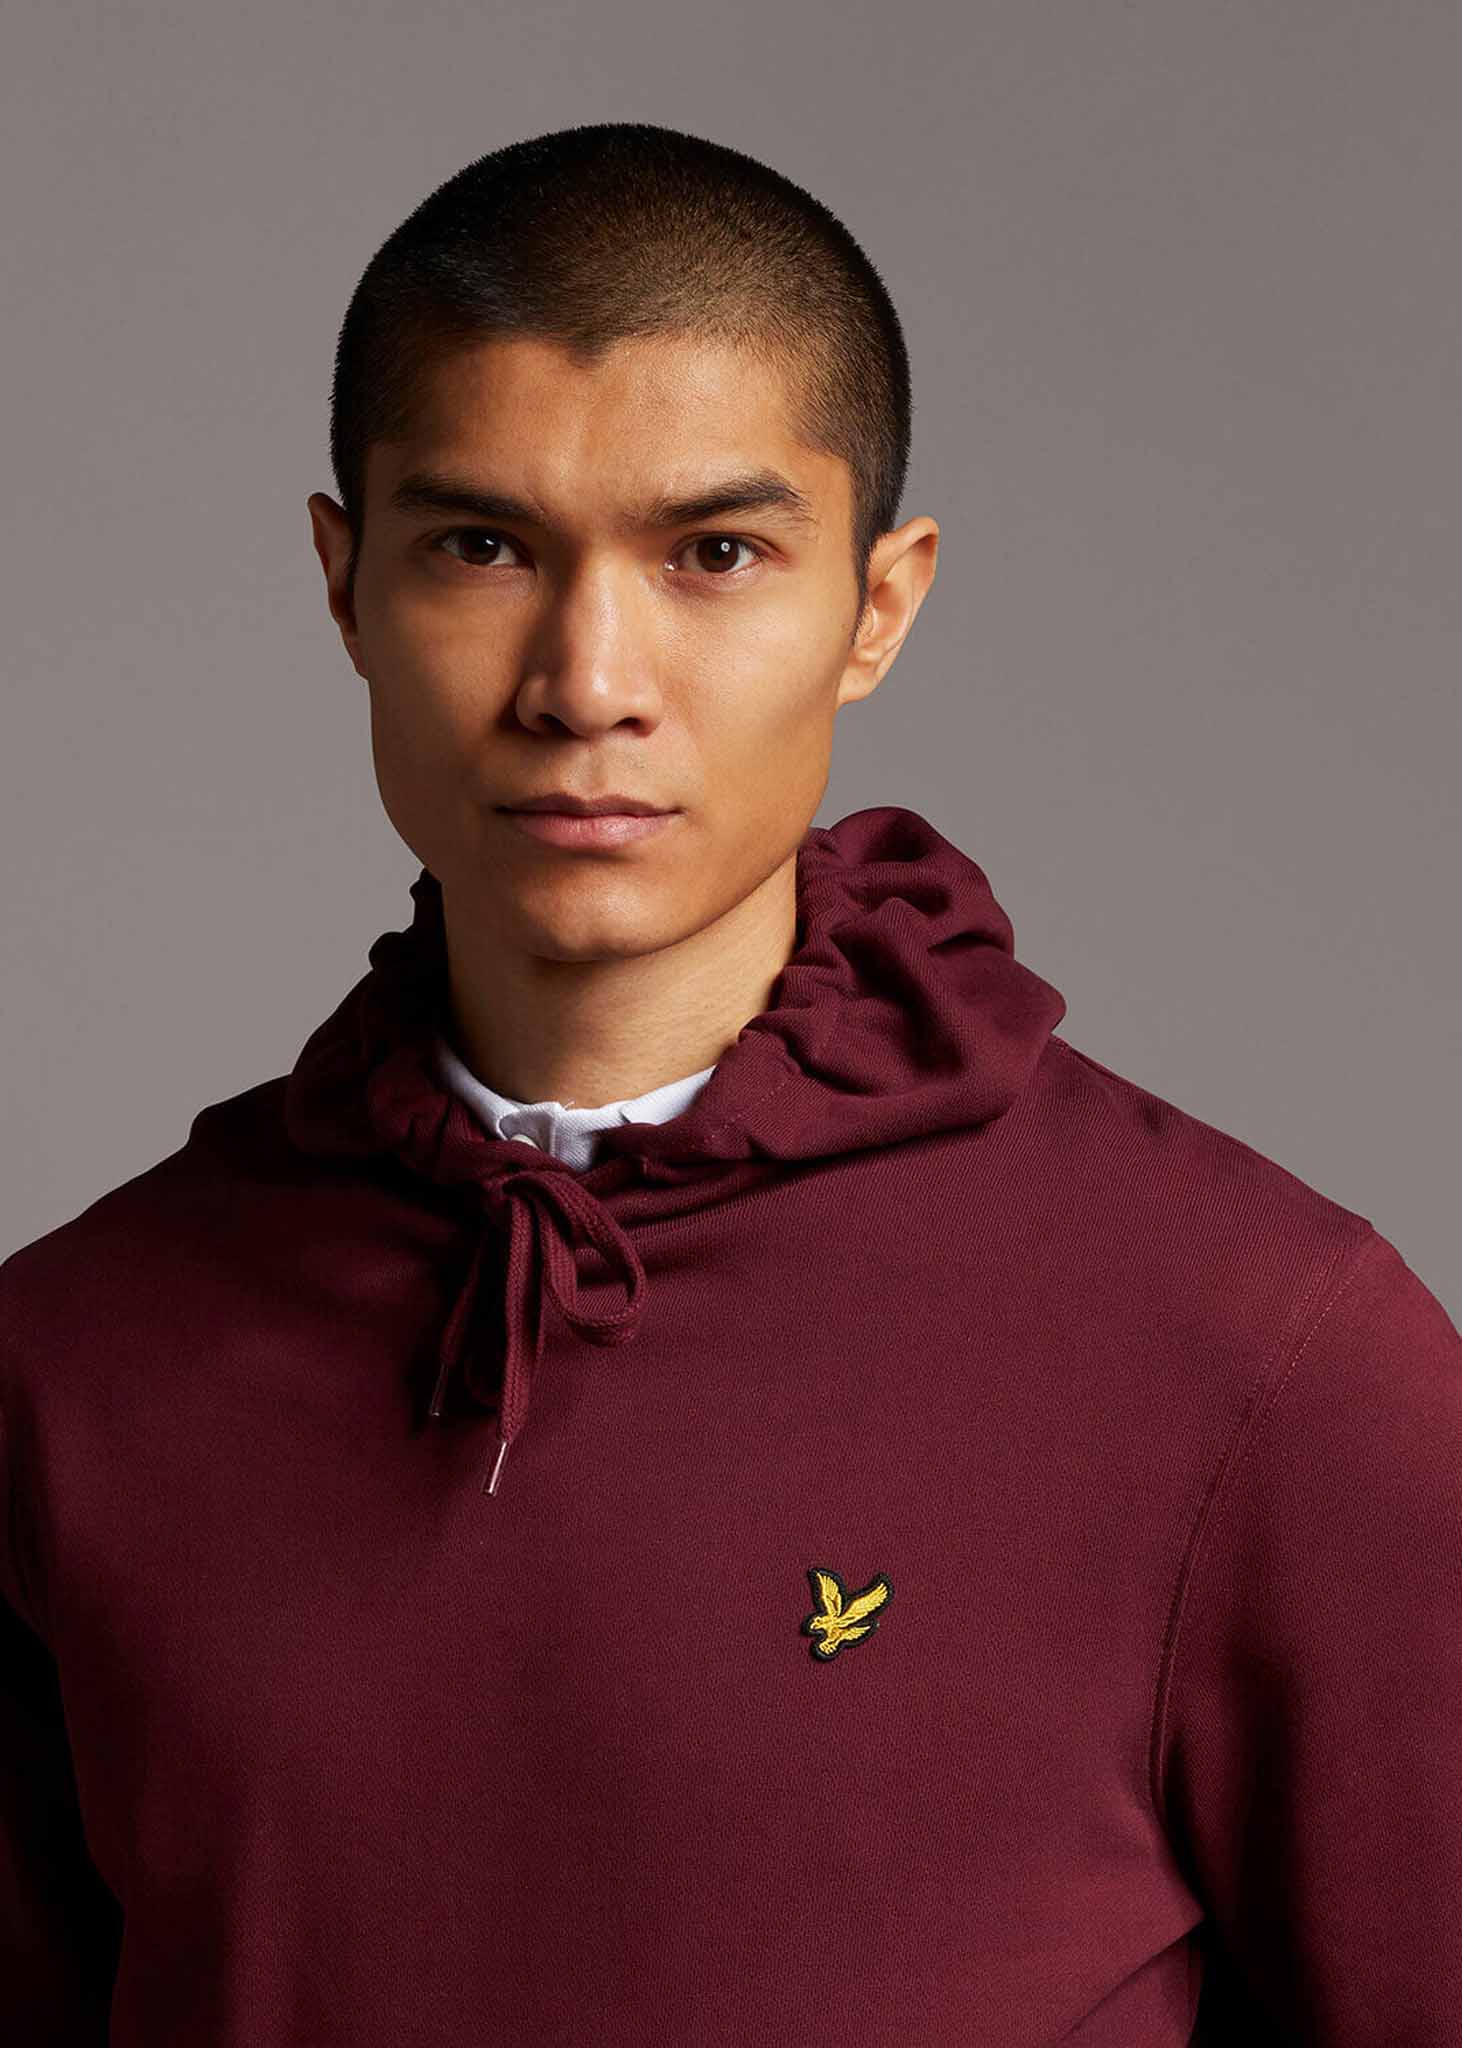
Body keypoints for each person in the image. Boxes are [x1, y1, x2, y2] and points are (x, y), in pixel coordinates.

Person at [1, 120, 1457, 2048]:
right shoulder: (69, 1367)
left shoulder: (1264, 1352)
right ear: (343, 585)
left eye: (713, 556)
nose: (586, 680)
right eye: (481, 547)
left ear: (876, 604)